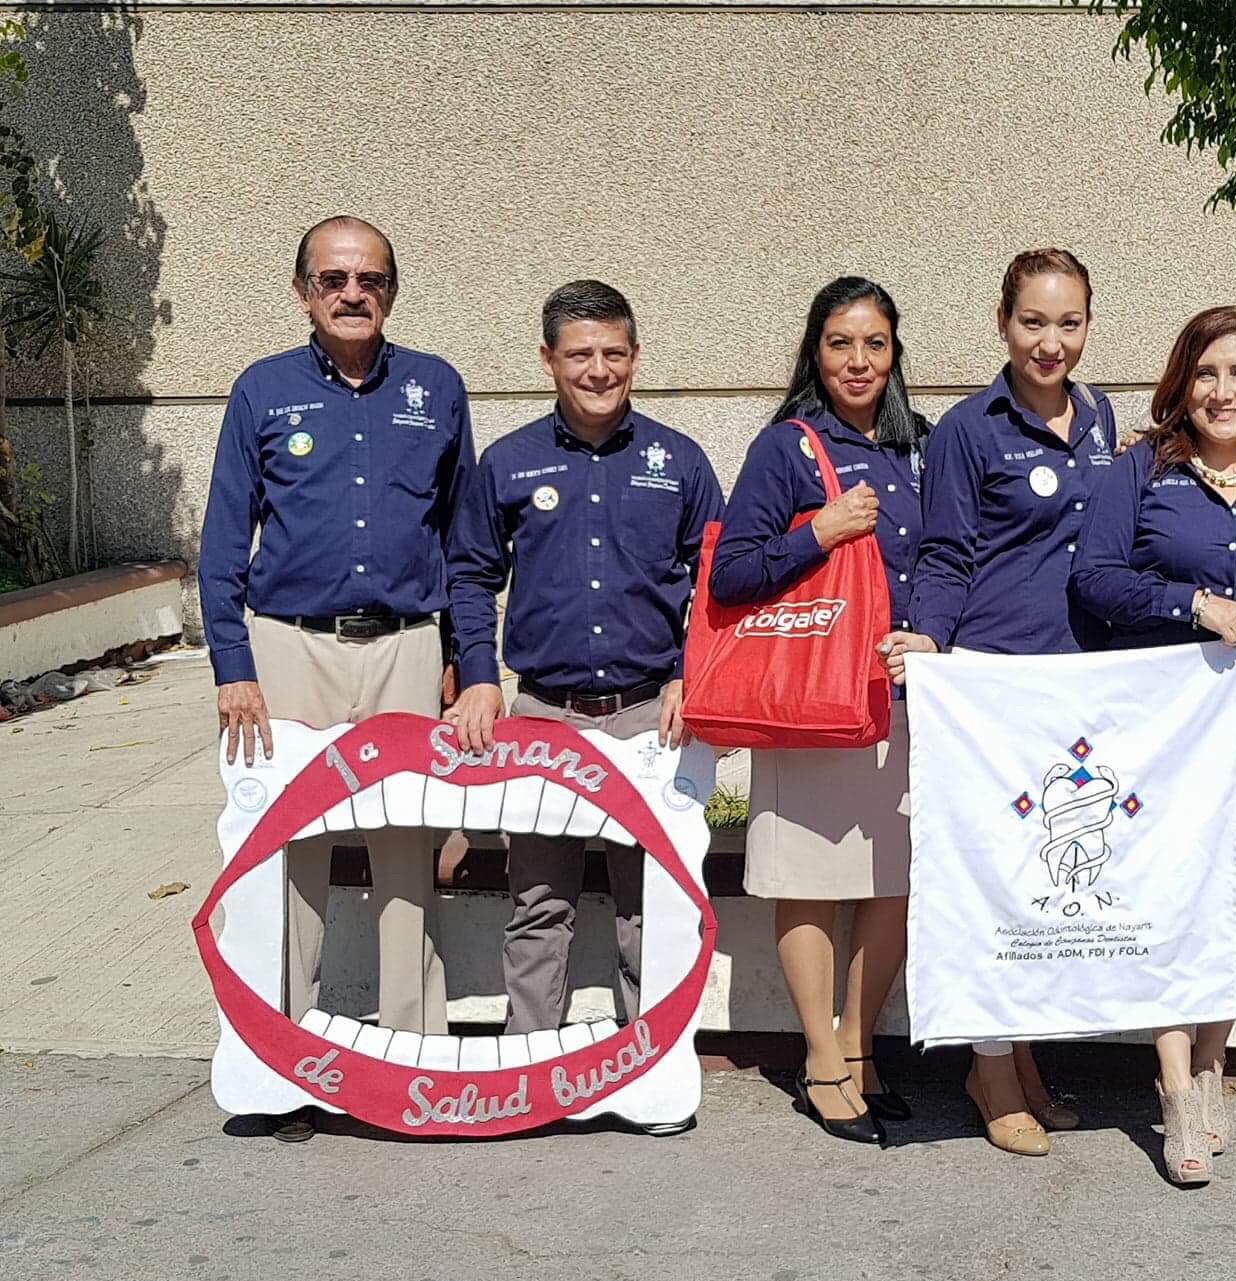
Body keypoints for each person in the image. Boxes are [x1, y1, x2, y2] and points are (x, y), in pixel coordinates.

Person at [198, 214, 470, 1142]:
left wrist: (464, 662)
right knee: (289, 853)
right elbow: (222, 544)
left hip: (403, 645)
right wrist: (234, 669)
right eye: (334, 279)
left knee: (406, 848)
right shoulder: (262, 391)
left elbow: (460, 543)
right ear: (302, 289)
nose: (353, 294)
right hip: (288, 649)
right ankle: (283, 1064)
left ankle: (411, 1056)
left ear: (393, 291)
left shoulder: (435, 389)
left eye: (372, 280)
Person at [443, 280, 723, 1135]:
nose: (597, 370)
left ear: (634, 358)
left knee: (648, 903)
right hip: (544, 716)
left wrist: (691, 672)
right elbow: (469, 574)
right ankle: (537, 1067)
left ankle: (647, 1067)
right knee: (541, 899)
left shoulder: (678, 462)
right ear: (548, 361)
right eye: (579, 355)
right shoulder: (509, 462)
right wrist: (479, 673)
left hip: (649, 715)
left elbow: (716, 580)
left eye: (612, 353)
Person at [1071, 305, 1236, 1185]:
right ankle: (1175, 1084)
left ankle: (1213, 1060)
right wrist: (1190, 604)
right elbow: (1095, 578)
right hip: (1171, 719)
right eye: (1207, 374)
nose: (1223, 392)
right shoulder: (1140, 470)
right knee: (1174, 892)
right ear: (1184, 383)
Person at [887, 248, 1115, 1157]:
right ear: (1002, 321)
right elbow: (945, 554)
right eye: (1033, 322)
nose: (1050, 341)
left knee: (1045, 879)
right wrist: (931, 644)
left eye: (1068, 323)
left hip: (1076, 683)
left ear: (1088, 326)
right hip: (992, 684)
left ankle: (1021, 1056)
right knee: (992, 884)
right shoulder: (966, 432)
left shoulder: (1100, 418)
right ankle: (989, 1067)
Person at [710, 276, 928, 1145]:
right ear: (815, 350)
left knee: (891, 884)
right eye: (841, 343)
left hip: (901, 697)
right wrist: (821, 532)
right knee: (808, 881)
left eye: (874, 344)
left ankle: (860, 1047)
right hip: (809, 701)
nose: (858, 361)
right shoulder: (786, 449)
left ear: (894, 354)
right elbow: (731, 576)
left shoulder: (923, 446)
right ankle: (821, 1061)